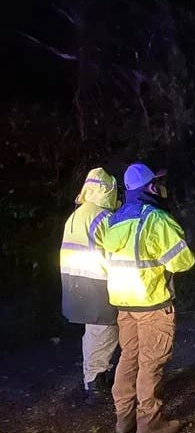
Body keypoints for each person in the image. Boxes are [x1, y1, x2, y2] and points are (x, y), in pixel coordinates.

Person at [102, 162, 195, 433]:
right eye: (156, 183)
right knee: (150, 362)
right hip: (152, 302)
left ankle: (124, 418)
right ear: (149, 188)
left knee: (128, 358)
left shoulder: (113, 221)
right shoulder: (155, 220)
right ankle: (149, 423)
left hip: (123, 304)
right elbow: (183, 262)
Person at [60, 168, 120, 405]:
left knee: (93, 332)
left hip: (74, 282)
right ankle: (95, 382)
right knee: (103, 331)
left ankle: (93, 377)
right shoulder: (103, 217)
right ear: (106, 190)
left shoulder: (77, 214)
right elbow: (114, 250)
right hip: (96, 280)